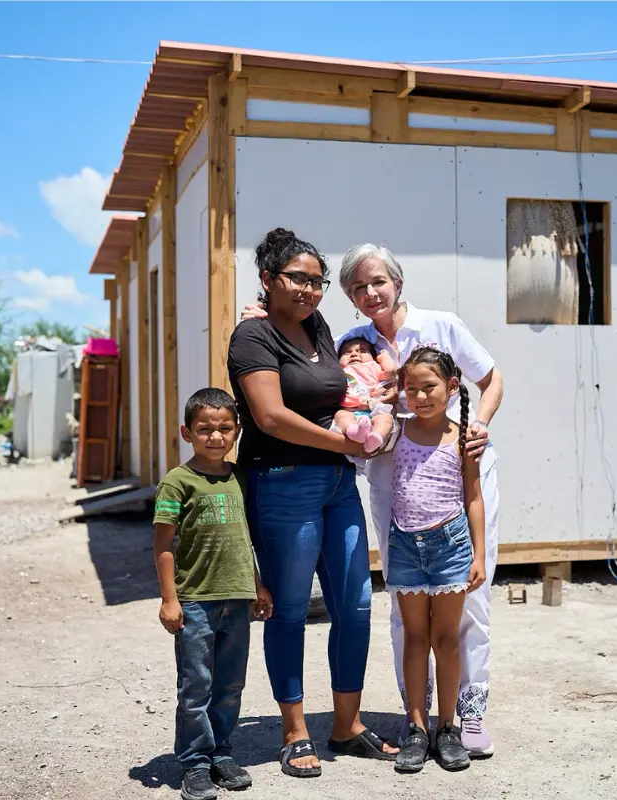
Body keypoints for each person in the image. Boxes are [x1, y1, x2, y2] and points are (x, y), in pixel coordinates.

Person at [244, 242, 504, 756]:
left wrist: (479, 424)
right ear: (347, 296)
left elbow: (492, 379)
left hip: (459, 472)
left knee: (468, 600)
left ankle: (467, 714)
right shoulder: (348, 342)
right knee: (402, 605)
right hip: (395, 483)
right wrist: (261, 315)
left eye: (378, 282)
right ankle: (419, 717)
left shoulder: (441, 325)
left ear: (398, 282)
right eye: (357, 287)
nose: (370, 293)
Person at [227, 227, 399, 779]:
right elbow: (270, 416)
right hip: (281, 482)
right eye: (297, 278)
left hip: (335, 484)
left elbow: (342, 381)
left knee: (356, 605)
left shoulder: (317, 326)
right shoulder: (251, 339)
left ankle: (345, 726)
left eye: (317, 281)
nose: (308, 290)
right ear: (268, 280)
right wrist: (344, 442)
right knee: (293, 608)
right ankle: (295, 730)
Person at [153, 388, 273, 800]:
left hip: (237, 601)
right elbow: (163, 545)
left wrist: (256, 585)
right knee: (196, 685)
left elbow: (244, 539)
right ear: (188, 433)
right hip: (195, 602)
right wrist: (170, 599)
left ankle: (221, 753)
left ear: (237, 430)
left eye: (225, 428)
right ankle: (194, 763)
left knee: (230, 684)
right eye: (205, 429)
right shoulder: (177, 482)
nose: (216, 437)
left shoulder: (239, 477)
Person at [386, 347, 487, 773]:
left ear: (450, 388)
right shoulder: (395, 430)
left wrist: (479, 554)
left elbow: (474, 497)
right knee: (413, 637)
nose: (420, 396)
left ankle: (447, 729)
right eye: (411, 389)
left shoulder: (464, 437)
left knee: (445, 639)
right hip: (404, 546)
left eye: (429, 387)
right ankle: (416, 728)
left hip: (451, 547)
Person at [333, 334, 397, 454]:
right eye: (346, 352)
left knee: (386, 419)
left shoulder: (373, 367)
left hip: (374, 409)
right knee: (340, 416)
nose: (354, 354)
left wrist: (384, 357)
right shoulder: (339, 371)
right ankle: (355, 431)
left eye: (362, 350)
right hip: (349, 411)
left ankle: (376, 437)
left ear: (373, 357)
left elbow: (390, 372)